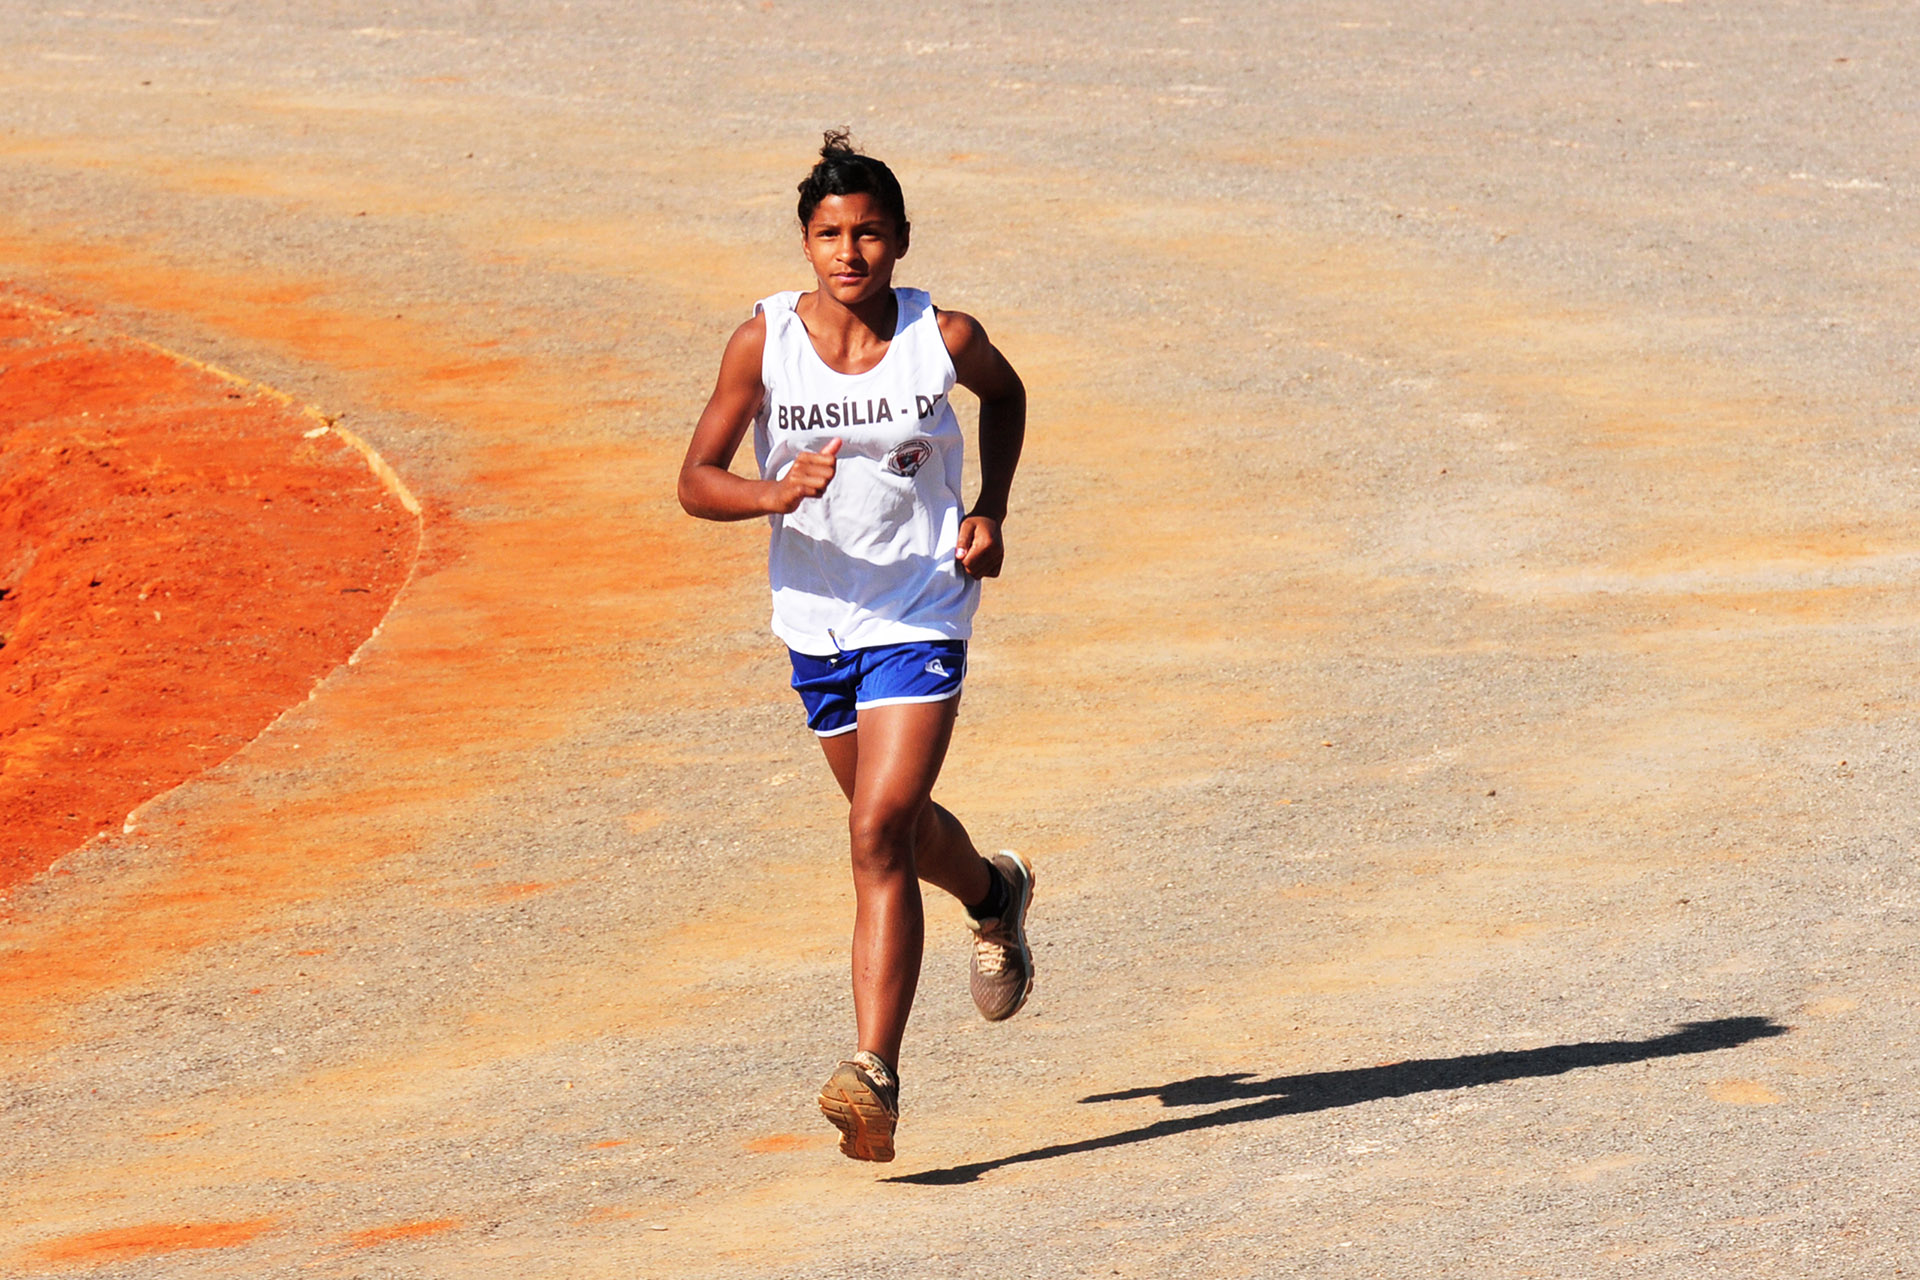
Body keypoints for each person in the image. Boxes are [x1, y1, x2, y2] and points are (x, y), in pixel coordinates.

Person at [677, 131, 1032, 1163]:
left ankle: (874, 1073)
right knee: (897, 834)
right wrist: (770, 492)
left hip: (922, 607)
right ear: (805, 241)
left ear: (902, 239)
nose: (851, 251)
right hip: (816, 621)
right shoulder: (763, 344)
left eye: (871, 232)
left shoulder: (943, 337)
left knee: (876, 826)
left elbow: (1007, 396)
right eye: (831, 233)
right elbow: (696, 480)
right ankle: (995, 894)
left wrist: (991, 507)